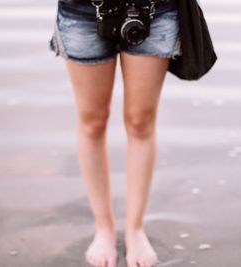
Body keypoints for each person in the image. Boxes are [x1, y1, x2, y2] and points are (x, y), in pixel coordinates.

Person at [48, 0, 181, 266]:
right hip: (82, 10)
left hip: (155, 9)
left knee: (140, 122)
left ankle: (135, 229)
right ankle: (104, 227)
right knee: (92, 122)